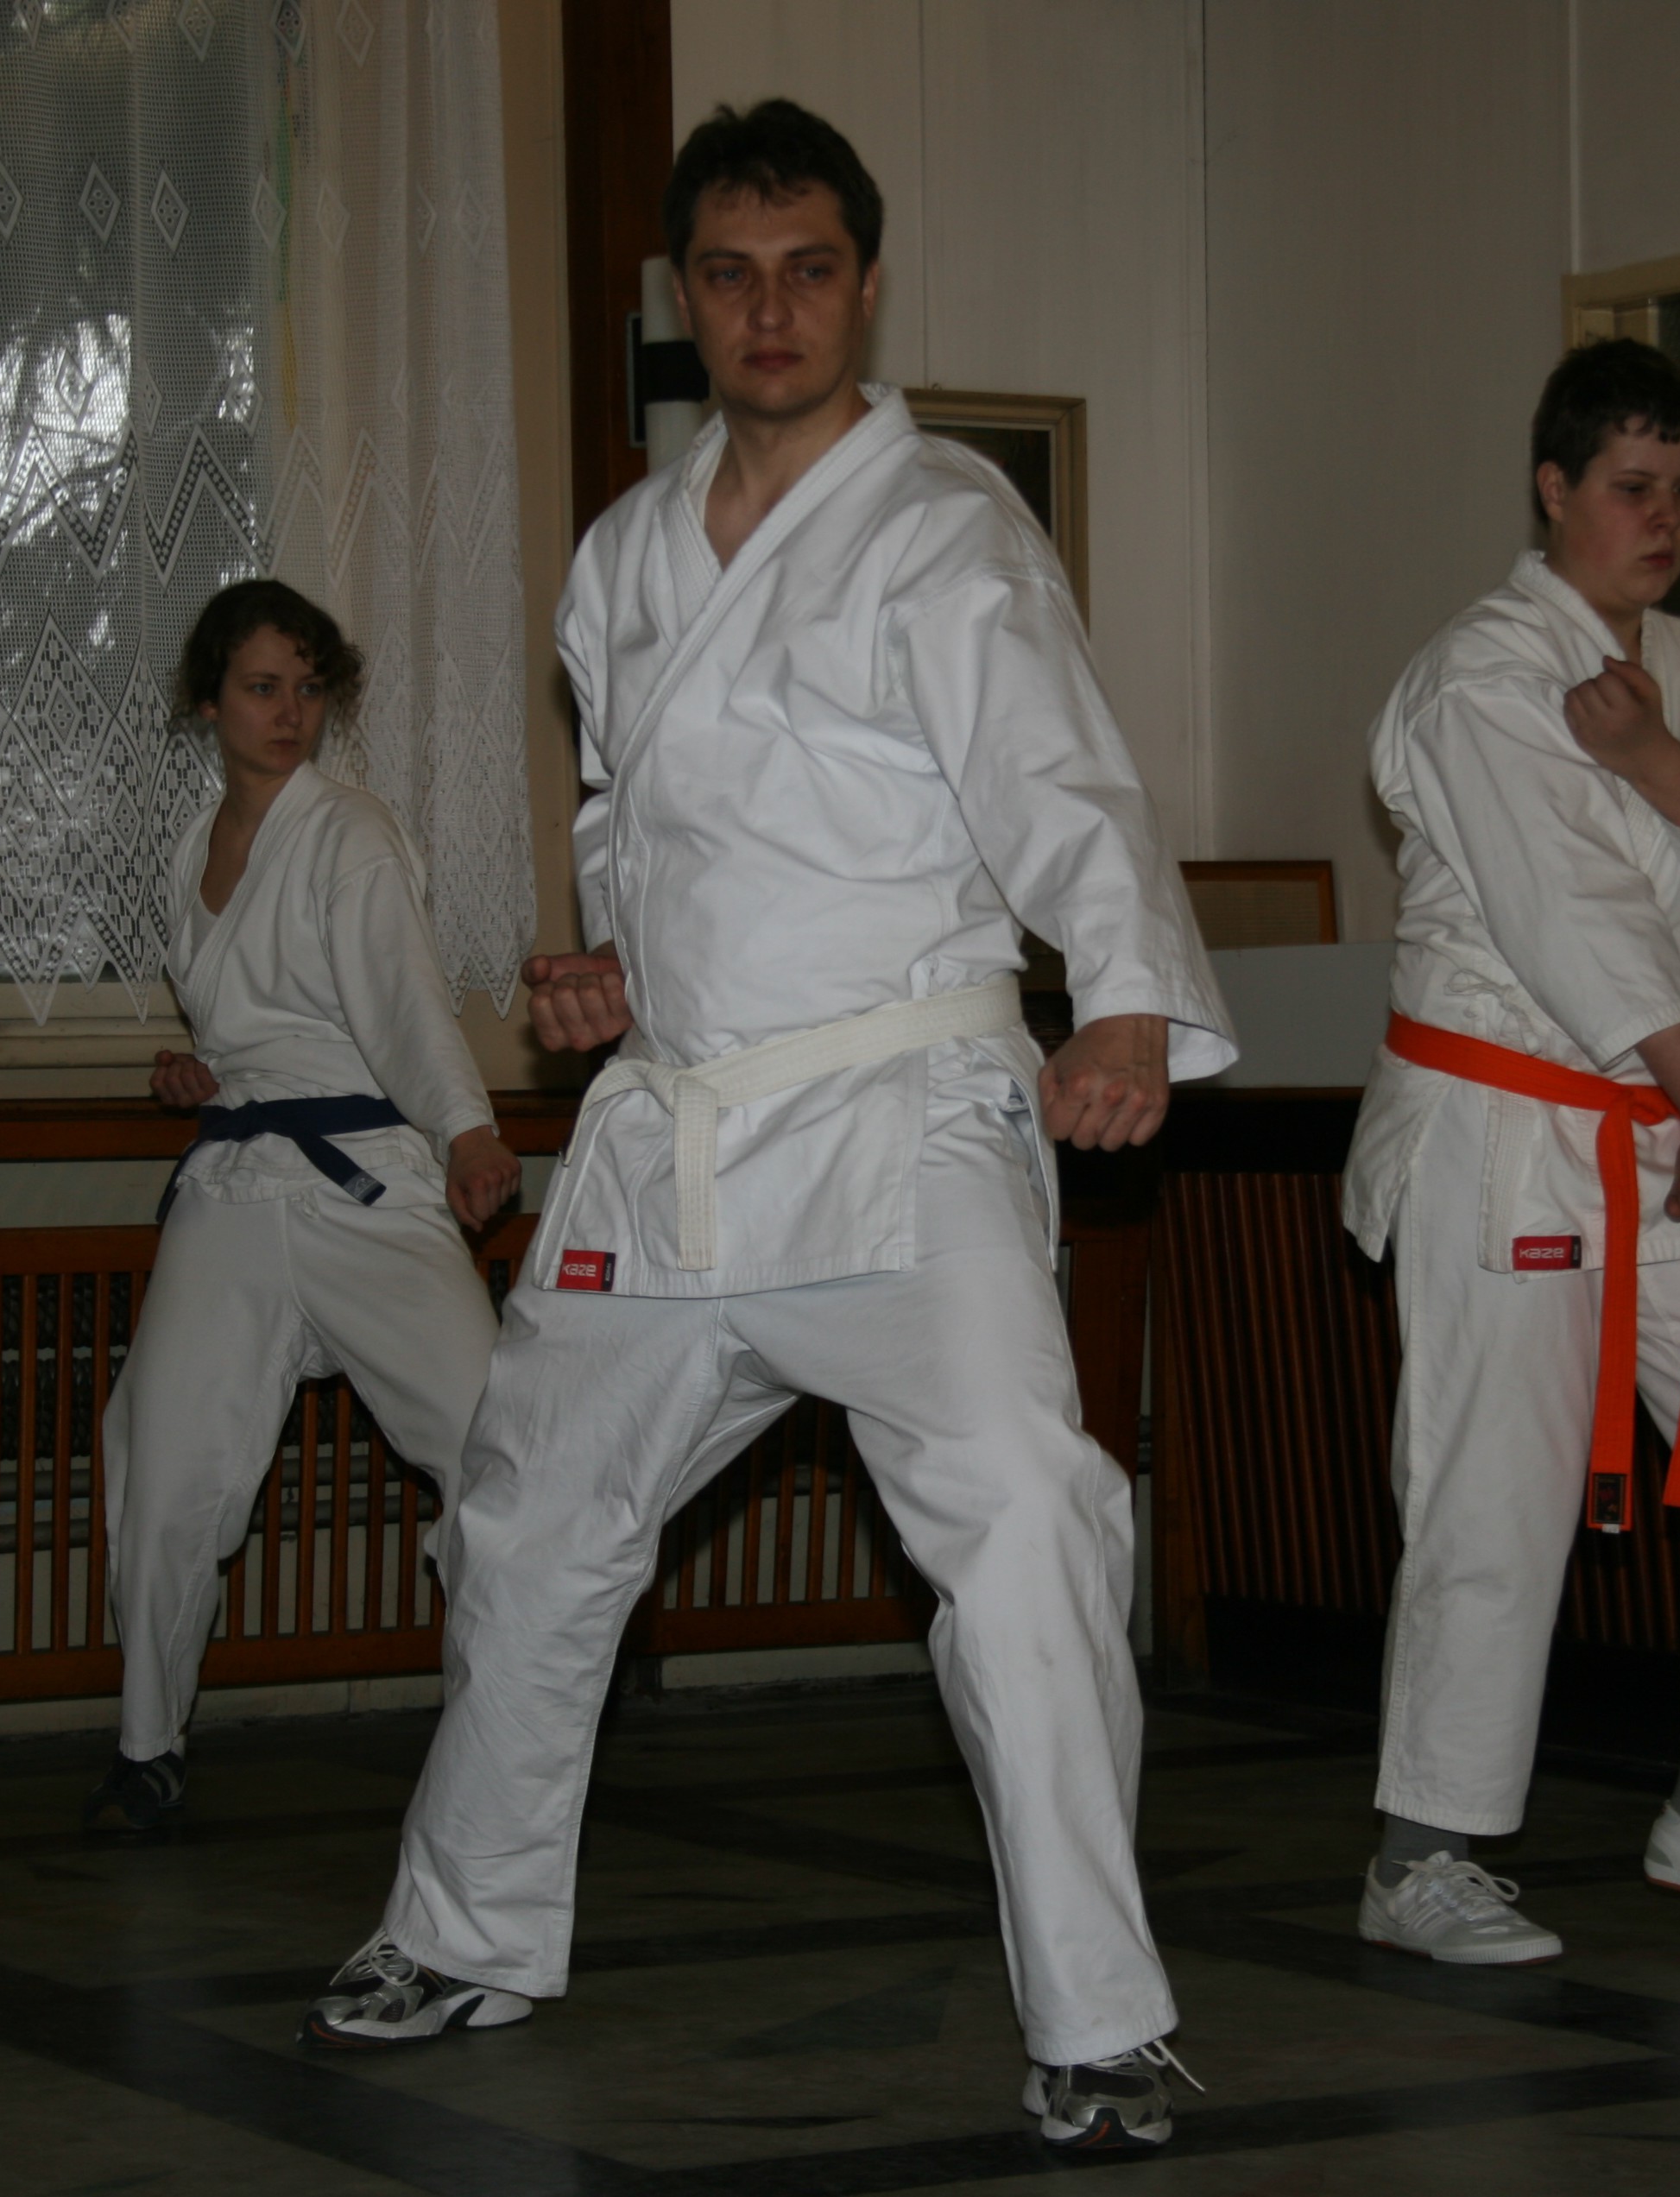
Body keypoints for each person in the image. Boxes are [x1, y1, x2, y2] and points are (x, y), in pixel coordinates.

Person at [299, 101, 1234, 2156]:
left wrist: (1126, 996)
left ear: (865, 286)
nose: (771, 310)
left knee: (1027, 1517)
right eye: (730, 275)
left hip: (902, 1109)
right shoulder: (626, 556)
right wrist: (604, 971)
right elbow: (633, 821)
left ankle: (1101, 2017)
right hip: (680, 1126)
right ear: (684, 296)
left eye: (809, 270)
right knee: (532, 1515)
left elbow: (1061, 777)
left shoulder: (947, 525)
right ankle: (463, 1930)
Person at [1341, 338, 1680, 1963]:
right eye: (1632, 488)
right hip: (1508, 1120)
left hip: (1661, 1117)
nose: (1663, 520)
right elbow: (1569, 911)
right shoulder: (1480, 674)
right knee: (1493, 1482)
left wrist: (1661, 762)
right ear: (1555, 488)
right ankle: (1419, 1857)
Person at [85, 580, 520, 1833]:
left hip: (366, 1177)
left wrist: (467, 1128)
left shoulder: (350, 832)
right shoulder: (193, 846)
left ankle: (520, 1724)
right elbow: (257, 1029)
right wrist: (201, 1072)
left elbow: (399, 998)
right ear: (208, 700)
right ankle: (148, 1745)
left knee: (495, 1448)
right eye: (263, 688)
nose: (290, 712)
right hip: (235, 1185)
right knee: (160, 1463)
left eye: (309, 689)